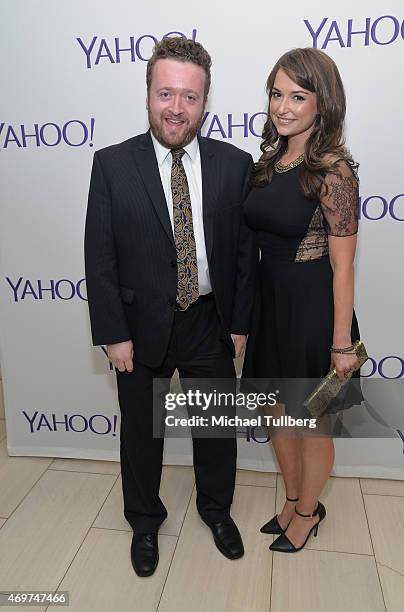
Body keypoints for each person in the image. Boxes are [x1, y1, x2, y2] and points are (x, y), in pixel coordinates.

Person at [84, 36, 255, 576]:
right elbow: (101, 256)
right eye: (165, 93)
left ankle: (216, 511)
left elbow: (242, 256)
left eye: (189, 97)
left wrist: (242, 324)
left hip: (209, 321)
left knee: (215, 428)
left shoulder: (234, 164)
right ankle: (143, 522)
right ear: (148, 95)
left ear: (205, 102)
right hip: (138, 327)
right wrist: (114, 333)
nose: (176, 108)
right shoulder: (111, 164)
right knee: (141, 433)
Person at [242, 47, 362, 553]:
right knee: (276, 415)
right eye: (276, 93)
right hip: (272, 308)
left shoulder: (334, 172)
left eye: (298, 95)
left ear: (323, 103)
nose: (283, 107)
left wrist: (340, 347)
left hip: (315, 313)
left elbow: (342, 265)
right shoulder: (270, 162)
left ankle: (309, 513)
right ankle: (294, 498)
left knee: (311, 423)